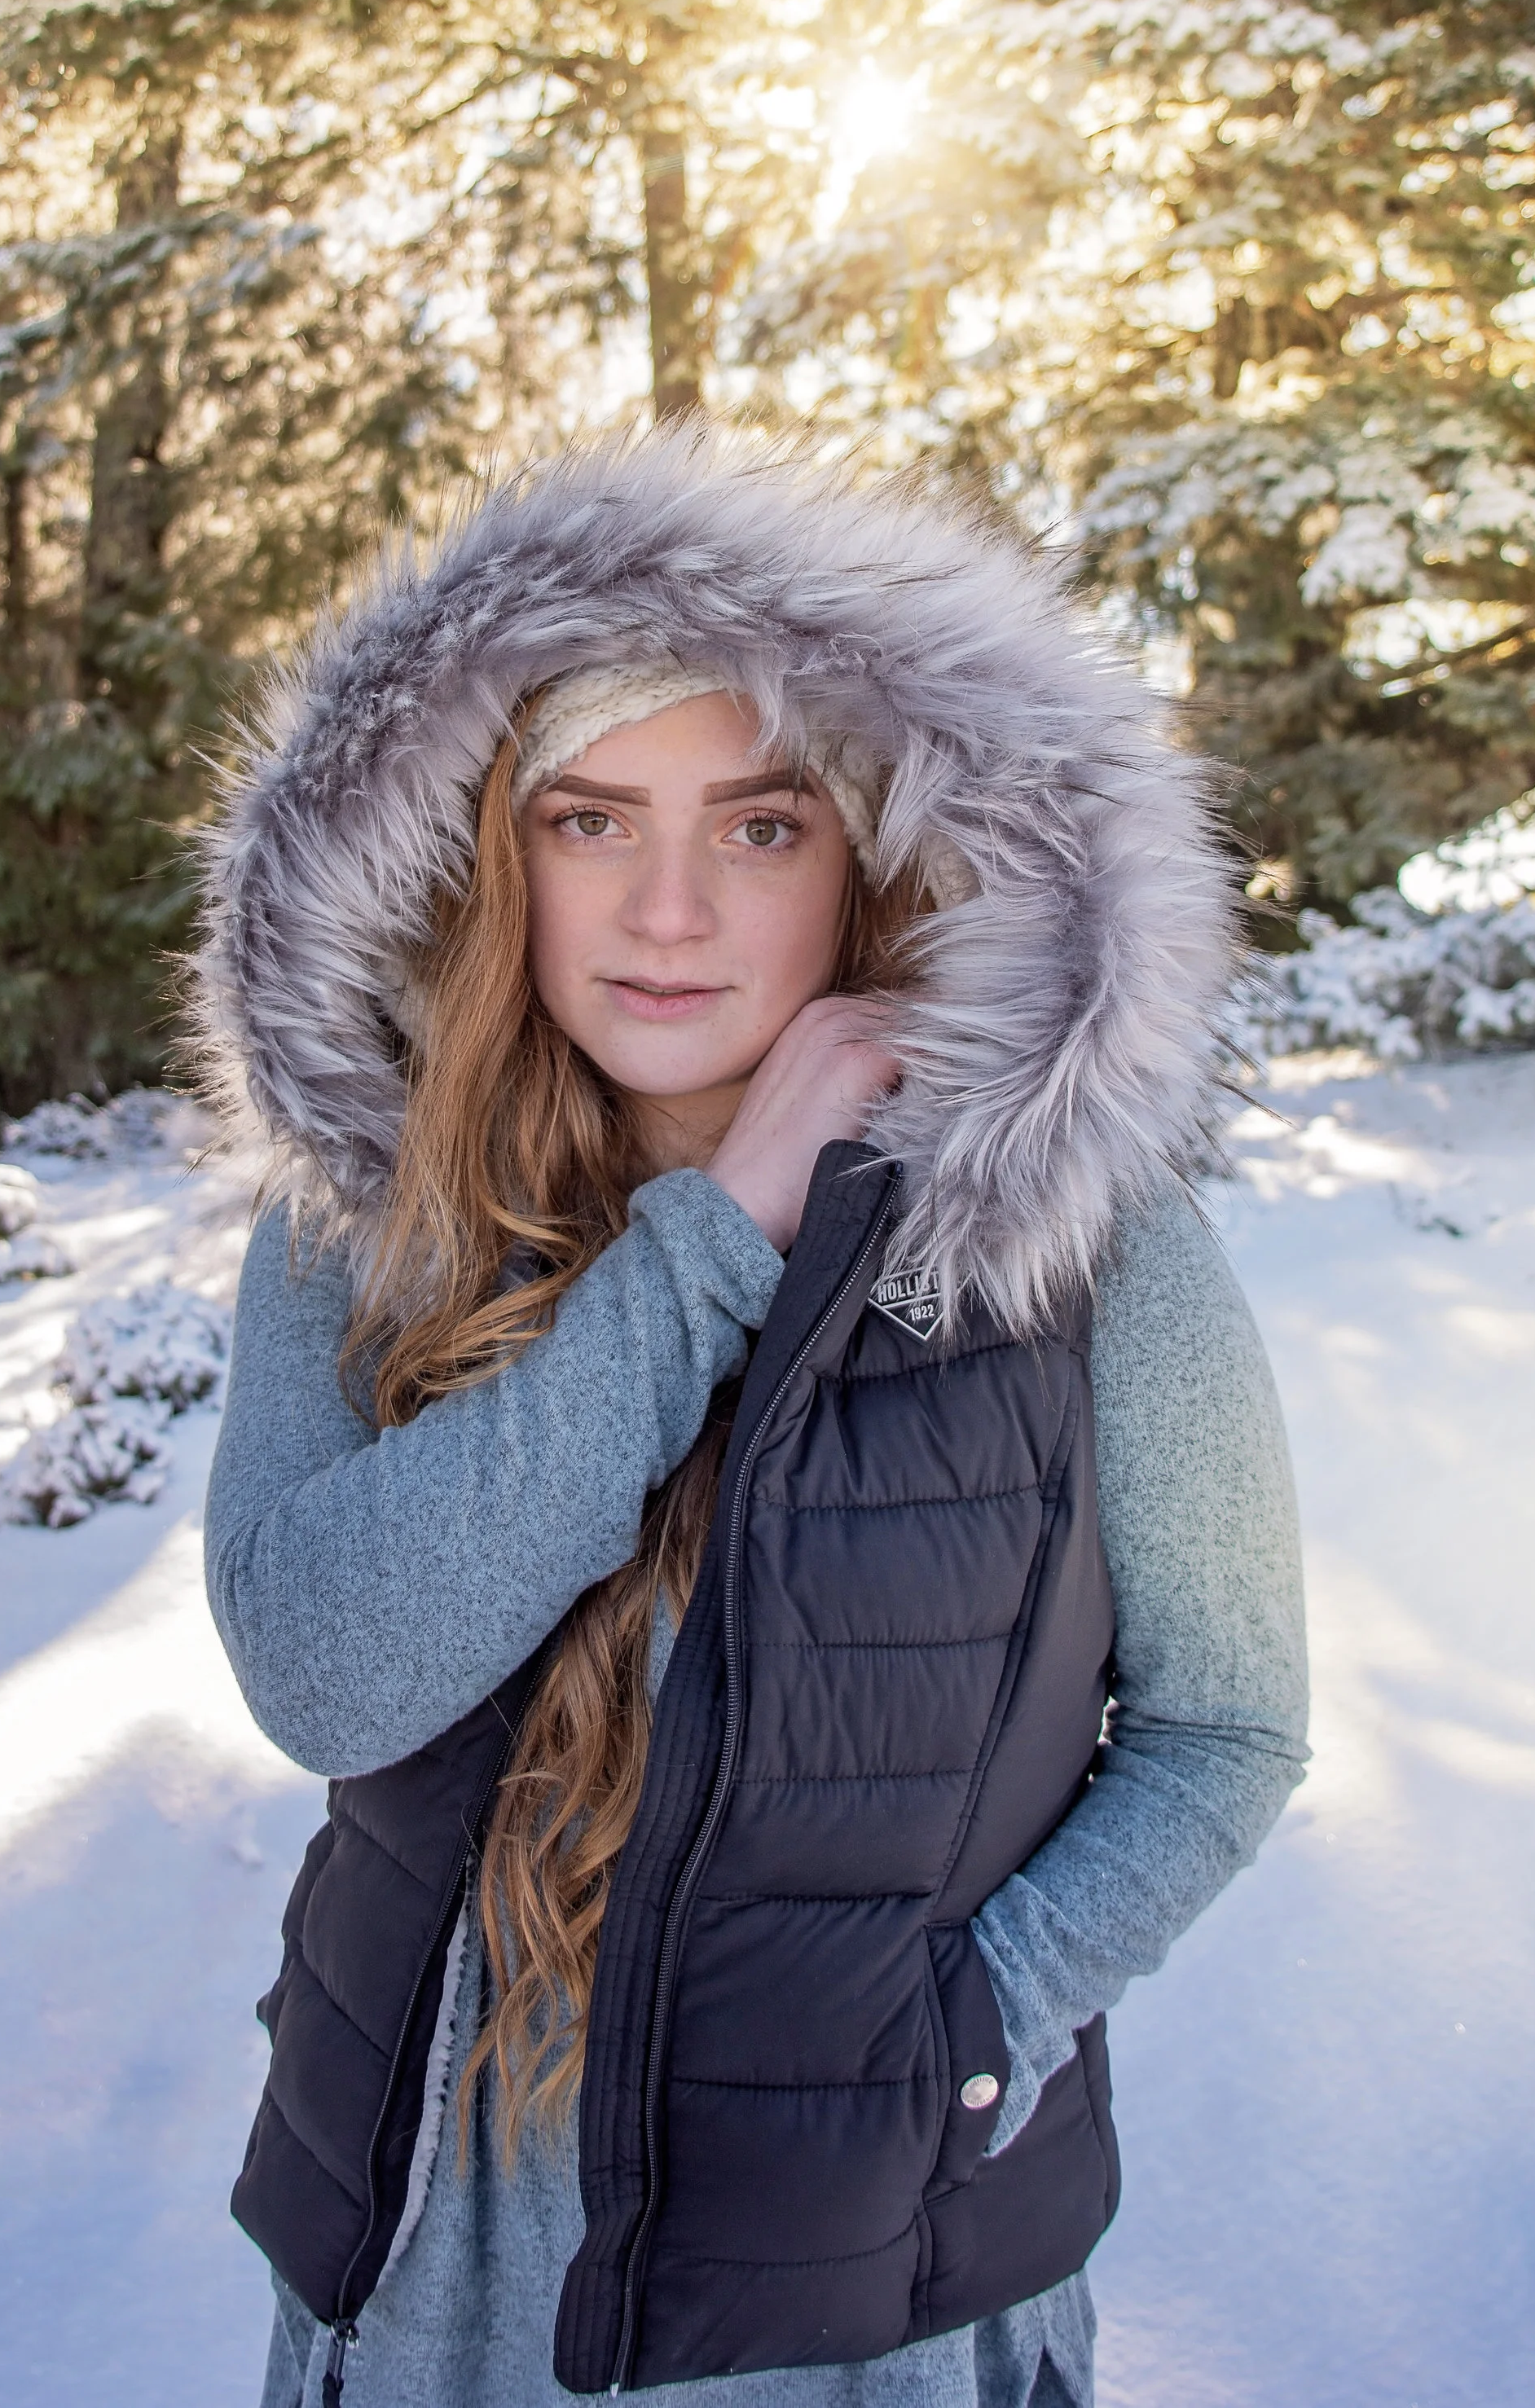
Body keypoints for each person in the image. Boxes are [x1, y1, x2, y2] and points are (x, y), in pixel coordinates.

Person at [196, 431, 1308, 2408]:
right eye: (591, 819)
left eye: (762, 826)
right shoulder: (365, 1233)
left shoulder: (1067, 1250)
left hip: (858, 2298)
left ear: (867, 852)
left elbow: (1225, 1726)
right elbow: (326, 1677)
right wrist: (711, 1243)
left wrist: (973, 2031)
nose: (672, 909)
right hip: (433, 2271)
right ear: (486, 849)